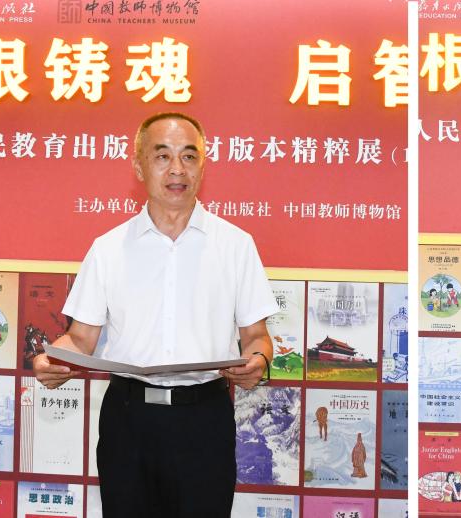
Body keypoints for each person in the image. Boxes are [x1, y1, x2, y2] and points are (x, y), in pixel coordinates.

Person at [33, 112, 278, 518]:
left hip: (204, 419)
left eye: (189, 156)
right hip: (128, 421)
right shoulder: (108, 248)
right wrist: (52, 360)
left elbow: (257, 336)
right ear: (139, 166)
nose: (177, 169)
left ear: (203, 165)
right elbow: (79, 339)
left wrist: (259, 361)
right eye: (162, 156)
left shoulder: (236, 245)